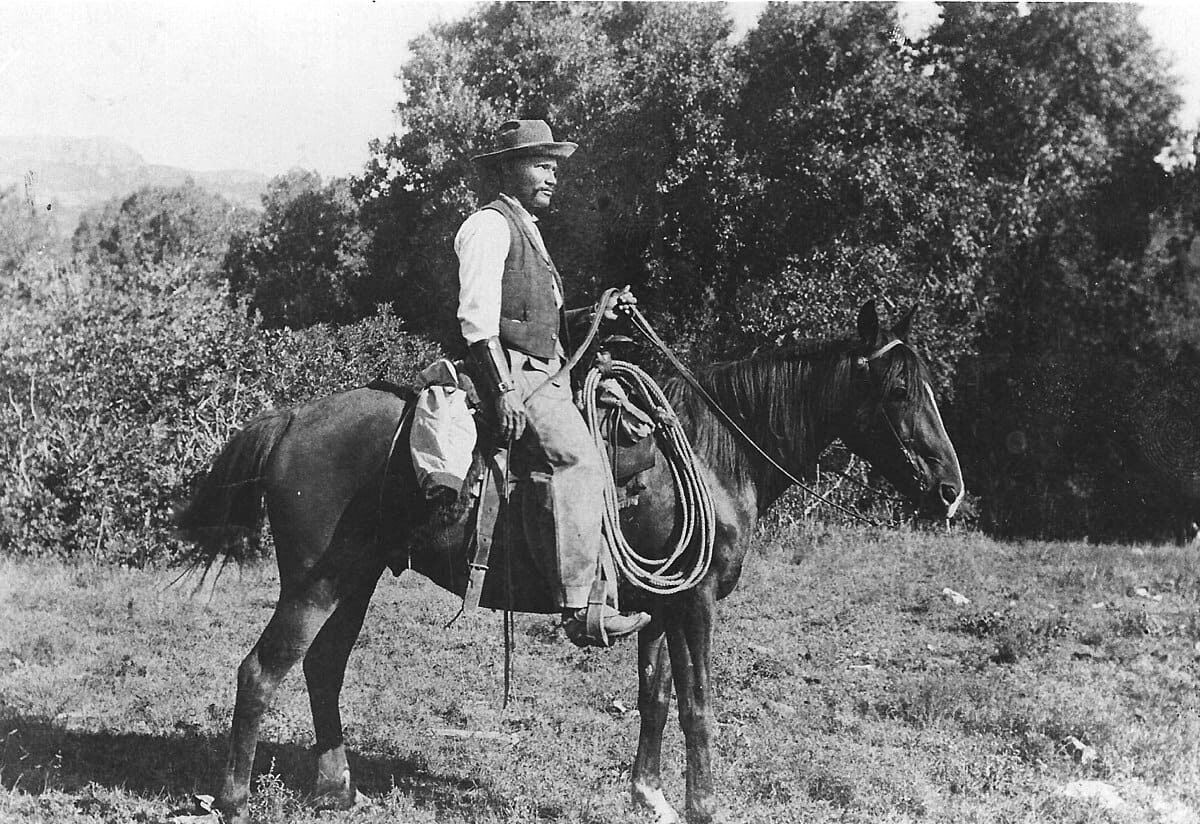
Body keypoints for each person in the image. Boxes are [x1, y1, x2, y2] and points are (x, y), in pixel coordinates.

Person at [456, 119, 650, 645]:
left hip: (550, 373)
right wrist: (502, 392)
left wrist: (597, 314)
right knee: (576, 461)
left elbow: (540, 323)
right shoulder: (489, 227)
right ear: (508, 169)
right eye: (542, 165)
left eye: (554, 167)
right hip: (518, 373)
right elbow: (476, 322)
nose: (553, 177)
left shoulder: (528, 230)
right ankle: (578, 608)